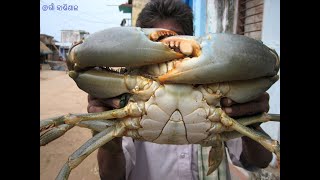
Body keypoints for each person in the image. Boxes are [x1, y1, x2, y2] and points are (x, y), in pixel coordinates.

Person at [88, 0, 273, 179]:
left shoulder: (217, 92)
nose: (166, 53)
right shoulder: (126, 98)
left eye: (175, 42)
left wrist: (251, 123)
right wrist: (108, 141)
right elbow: (111, 176)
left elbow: (259, 161)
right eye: (157, 44)